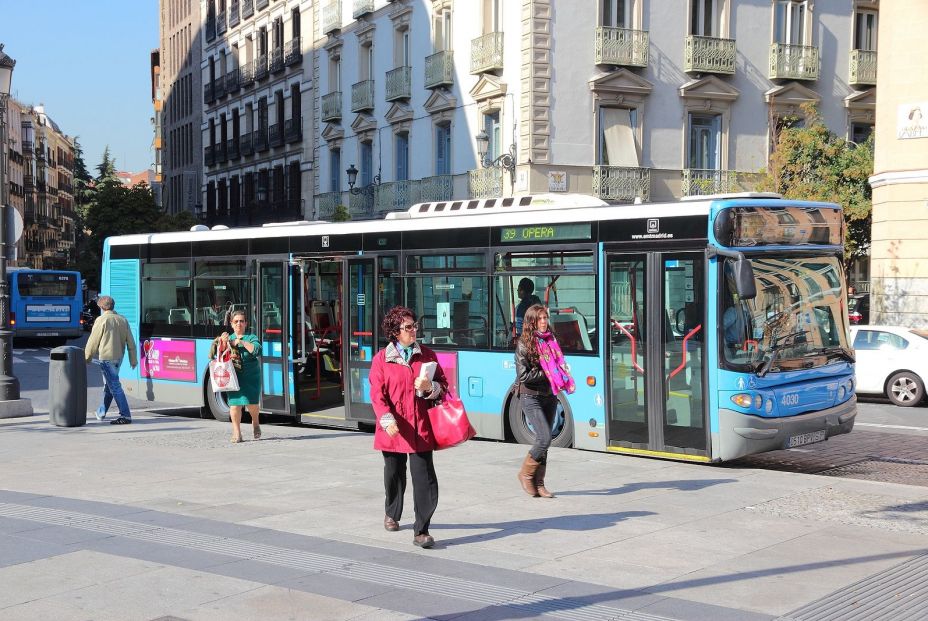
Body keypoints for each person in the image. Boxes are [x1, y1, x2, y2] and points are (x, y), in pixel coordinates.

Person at [369, 305, 448, 549]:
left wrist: (429, 388)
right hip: (394, 426)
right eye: (408, 327)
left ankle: (421, 530)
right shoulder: (382, 359)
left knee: (425, 479)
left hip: (420, 427)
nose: (414, 331)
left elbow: (443, 387)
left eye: (414, 326)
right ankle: (392, 512)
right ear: (395, 331)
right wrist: (386, 419)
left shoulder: (427, 355)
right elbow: (376, 394)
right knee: (394, 474)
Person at [514, 304, 575, 498]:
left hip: (549, 395)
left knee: (545, 441)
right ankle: (525, 473)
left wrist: (560, 370)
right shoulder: (524, 344)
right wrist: (549, 372)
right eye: (539, 319)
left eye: (545, 318)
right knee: (544, 437)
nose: (543, 322)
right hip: (530, 395)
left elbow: (557, 363)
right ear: (532, 322)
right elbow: (524, 375)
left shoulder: (551, 340)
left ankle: (539, 483)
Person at [208, 310, 262, 443]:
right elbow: (216, 356)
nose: (239, 324)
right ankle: (237, 433)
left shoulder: (251, 337)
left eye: (241, 321)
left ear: (246, 323)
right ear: (231, 324)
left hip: (251, 377)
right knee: (234, 405)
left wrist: (241, 342)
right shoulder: (228, 338)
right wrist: (222, 343)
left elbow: (257, 350)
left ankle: (255, 423)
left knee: (252, 404)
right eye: (236, 321)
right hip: (234, 377)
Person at [84, 295, 139, 425]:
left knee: (114, 386)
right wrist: (133, 359)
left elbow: (93, 341)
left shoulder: (101, 320)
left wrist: (87, 357)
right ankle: (101, 412)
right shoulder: (122, 320)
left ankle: (125, 415)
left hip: (106, 358)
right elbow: (131, 342)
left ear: (102, 307)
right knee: (109, 386)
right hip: (118, 358)